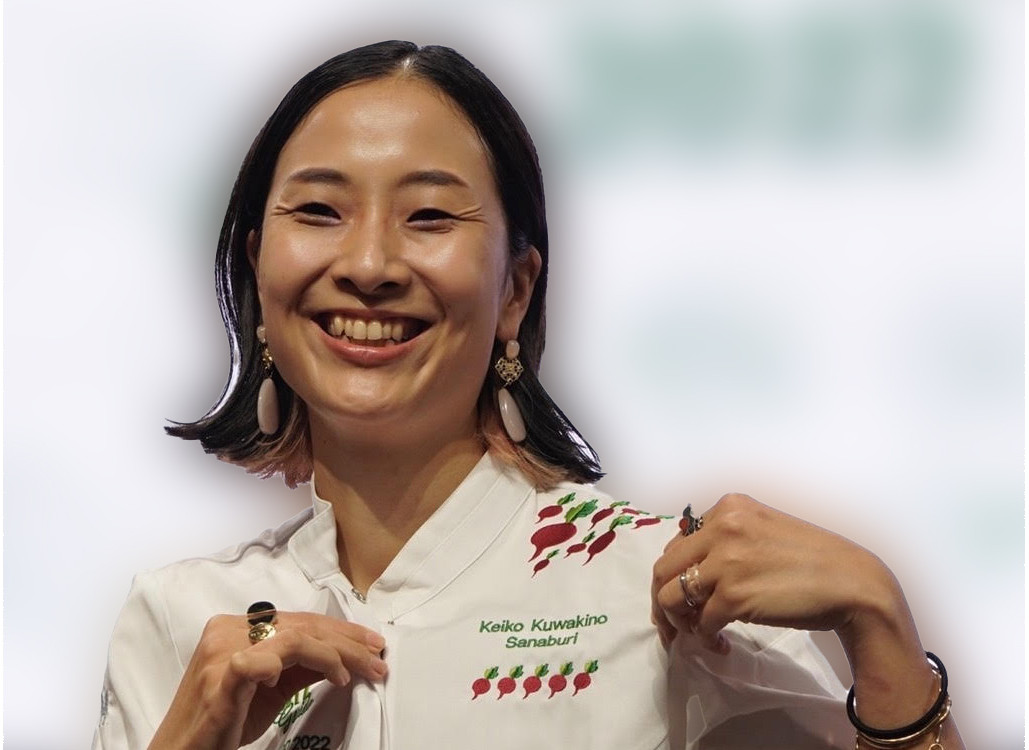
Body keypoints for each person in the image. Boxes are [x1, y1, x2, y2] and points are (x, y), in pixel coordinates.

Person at [92, 41, 965, 750]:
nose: (367, 264)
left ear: (515, 289)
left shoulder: (668, 593)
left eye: (430, 217)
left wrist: (879, 629)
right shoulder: (180, 619)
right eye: (319, 211)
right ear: (258, 270)